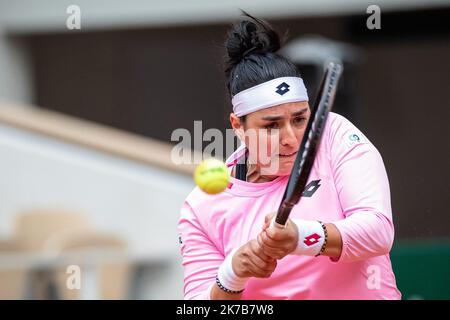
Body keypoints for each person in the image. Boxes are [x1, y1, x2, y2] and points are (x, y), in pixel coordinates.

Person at [177, 12, 401, 300]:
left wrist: (300, 237)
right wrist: (233, 273)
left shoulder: (335, 134)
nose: (291, 139)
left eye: (299, 119)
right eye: (271, 126)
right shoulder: (200, 208)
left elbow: (378, 232)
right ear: (238, 126)